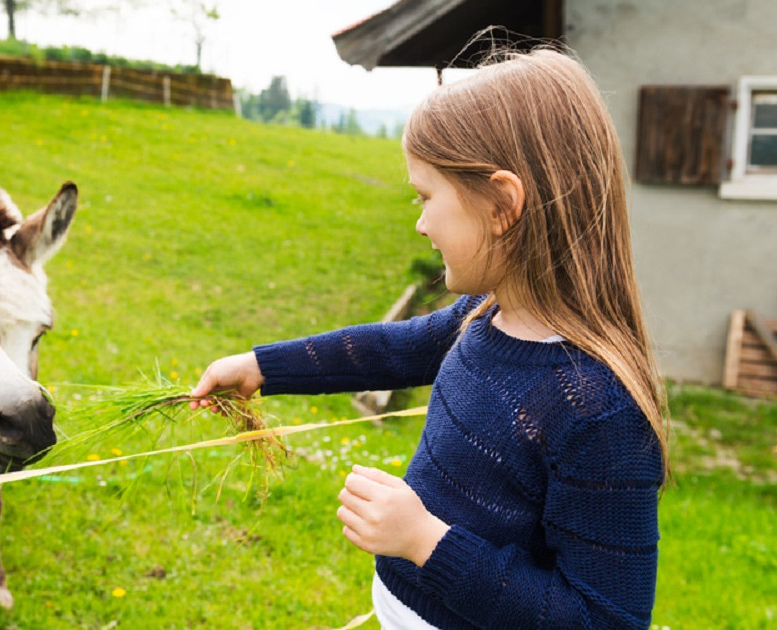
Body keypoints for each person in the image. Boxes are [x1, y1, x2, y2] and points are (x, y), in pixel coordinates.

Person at [189, 46, 667, 630]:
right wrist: (263, 367)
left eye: (425, 197)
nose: (419, 223)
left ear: (502, 204)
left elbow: (606, 620)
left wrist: (426, 543)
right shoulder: (485, 316)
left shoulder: (596, 409)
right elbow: (391, 349)